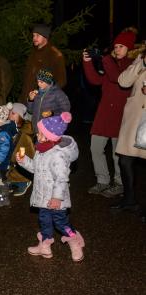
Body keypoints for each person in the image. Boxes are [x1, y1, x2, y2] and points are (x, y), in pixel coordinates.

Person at [16, 112, 85, 262]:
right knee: (44, 222)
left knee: (61, 223)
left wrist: (56, 197)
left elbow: (62, 178)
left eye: (40, 133)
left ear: (49, 137)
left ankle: (74, 240)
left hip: (55, 199)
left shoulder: (57, 155)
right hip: (42, 197)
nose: (37, 135)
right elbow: (36, 168)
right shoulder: (42, 150)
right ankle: (45, 246)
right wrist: (24, 161)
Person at [83, 28, 136, 197]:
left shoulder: (132, 66)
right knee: (95, 148)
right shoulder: (110, 62)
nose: (117, 49)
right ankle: (102, 180)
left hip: (122, 116)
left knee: (116, 154)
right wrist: (88, 62)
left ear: (129, 48)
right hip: (104, 114)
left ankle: (119, 183)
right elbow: (96, 80)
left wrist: (105, 59)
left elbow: (116, 77)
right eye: (116, 46)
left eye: (121, 46)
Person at [112, 48, 146, 213]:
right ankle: (129, 199)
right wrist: (142, 63)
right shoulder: (140, 58)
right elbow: (123, 81)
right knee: (124, 160)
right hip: (134, 118)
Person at [19, 24, 66, 103]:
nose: (34, 38)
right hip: (26, 100)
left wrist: (44, 95)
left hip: (42, 103)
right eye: (33, 35)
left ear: (45, 36)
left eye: (37, 35)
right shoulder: (33, 53)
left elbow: (62, 81)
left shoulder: (55, 55)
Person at [27, 68, 71, 134]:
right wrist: (31, 100)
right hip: (36, 129)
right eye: (38, 81)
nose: (39, 84)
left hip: (50, 129)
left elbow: (66, 110)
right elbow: (30, 111)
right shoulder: (37, 93)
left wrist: (52, 113)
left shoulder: (58, 93)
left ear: (48, 81)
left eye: (41, 82)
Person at [5, 103, 35, 196]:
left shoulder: (25, 133)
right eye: (9, 113)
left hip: (22, 164)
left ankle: (24, 181)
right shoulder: (11, 128)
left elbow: (29, 153)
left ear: (21, 116)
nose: (10, 116)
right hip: (11, 163)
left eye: (13, 113)